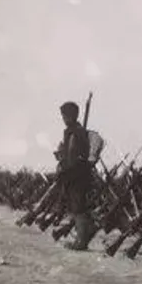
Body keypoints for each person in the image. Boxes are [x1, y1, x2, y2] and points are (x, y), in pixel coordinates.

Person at [57, 101, 97, 251]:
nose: (63, 118)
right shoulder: (76, 131)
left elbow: (73, 154)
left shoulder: (74, 132)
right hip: (78, 173)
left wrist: (66, 169)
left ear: (71, 116)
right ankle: (84, 237)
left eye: (64, 116)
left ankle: (80, 242)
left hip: (76, 174)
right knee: (77, 207)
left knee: (77, 207)